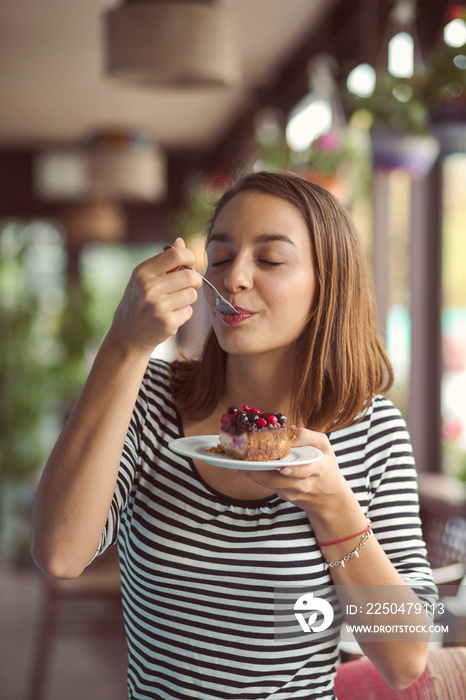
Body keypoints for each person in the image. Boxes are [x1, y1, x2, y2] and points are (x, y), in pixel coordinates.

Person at [32, 171, 437, 700]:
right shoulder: (150, 397)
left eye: (269, 260)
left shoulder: (371, 429)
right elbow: (60, 554)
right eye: (219, 258)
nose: (233, 278)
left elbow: (407, 660)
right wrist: (124, 346)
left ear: (327, 284)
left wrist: (334, 507)